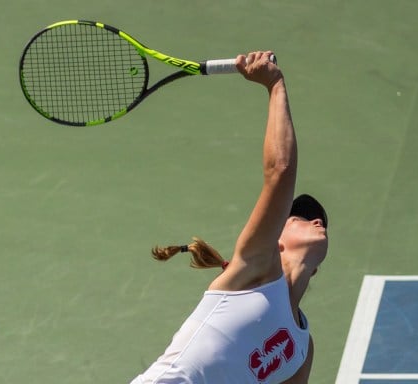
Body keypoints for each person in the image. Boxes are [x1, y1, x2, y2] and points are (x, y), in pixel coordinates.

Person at [129, 51, 329, 384]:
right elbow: (280, 170)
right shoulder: (258, 269)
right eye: (301, 216)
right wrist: (274, 84)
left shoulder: (300, 349)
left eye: (319, 218)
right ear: (275, 238)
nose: (317, 221)